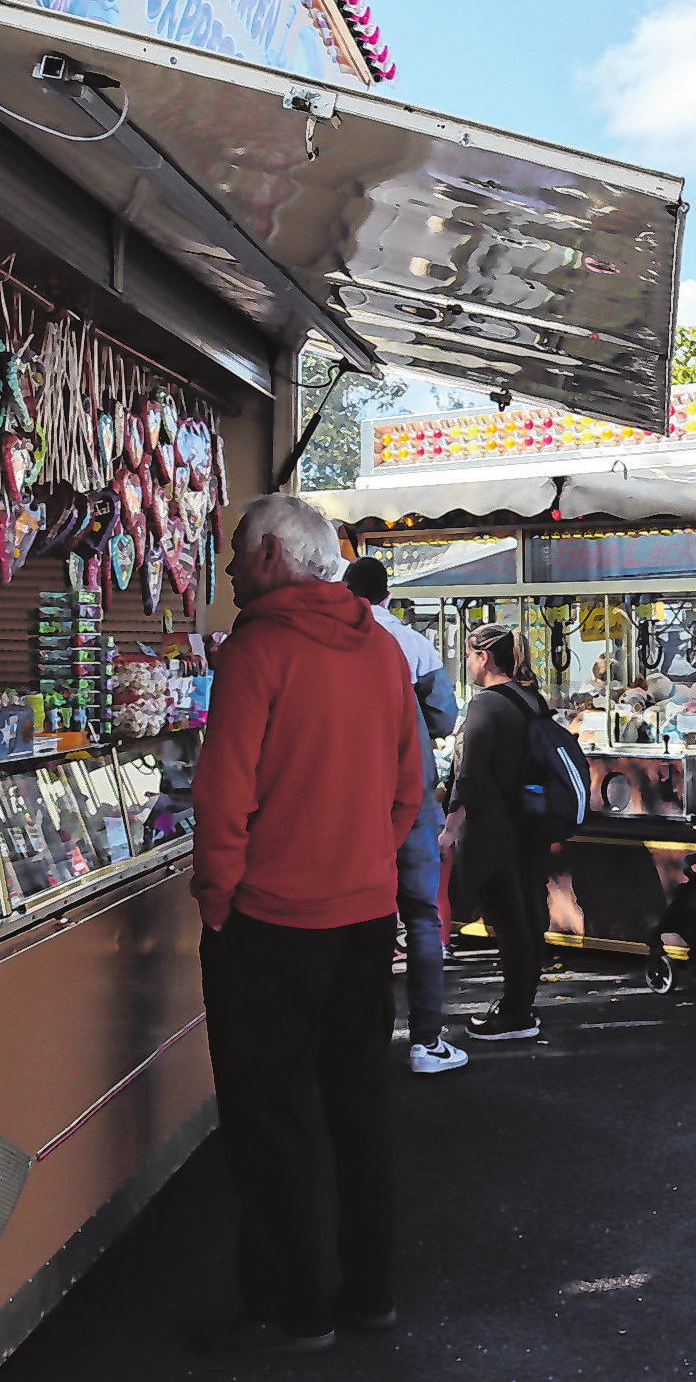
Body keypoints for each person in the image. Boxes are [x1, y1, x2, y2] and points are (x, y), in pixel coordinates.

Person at [190, 494, 421, 1356]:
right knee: (358, 1107)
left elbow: (221, 799)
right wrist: (365, 862)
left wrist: (221, 904)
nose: (229, 571)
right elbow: (409, 789)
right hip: (363, 916)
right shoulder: (384, 652)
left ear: (273, 557)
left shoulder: (256, 651)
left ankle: (296, 1310)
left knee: (272, 1117)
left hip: (269, 926)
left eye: (239, 554)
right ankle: (368, 1294)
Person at [343, 556, 466, 1075]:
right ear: (389, 594)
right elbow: (444, 716)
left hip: (352, 796)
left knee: (354, 914)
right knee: (420, 916)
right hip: (411, 792)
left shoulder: (331, 640)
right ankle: (427, 1039)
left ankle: (359, 1040)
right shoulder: (412, 643)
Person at [451, 622, 555, 1039]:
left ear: (484, 657)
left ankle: (514, 1013)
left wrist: (448, 829)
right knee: (527, 918)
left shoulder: (486, 705)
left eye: (470, 656)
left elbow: (469, 775)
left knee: (509, 923)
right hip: (530, 823)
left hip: (492, 831)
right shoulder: (532, 698)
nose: (469, 664)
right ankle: (522, 1004)